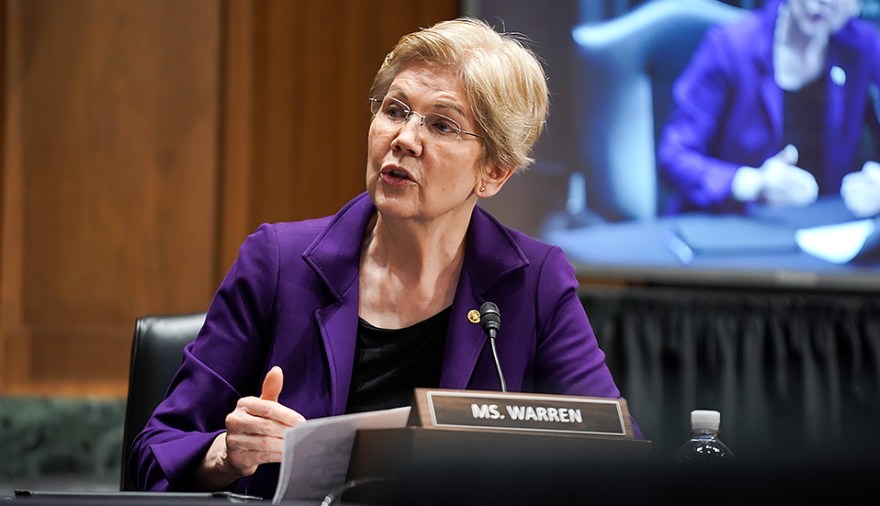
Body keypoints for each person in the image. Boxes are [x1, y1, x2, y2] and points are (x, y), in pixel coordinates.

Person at [129, 18, 633, 498]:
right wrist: (226, 454)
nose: (404, 139)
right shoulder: (278, 264)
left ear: (494, 173)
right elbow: (155, 450)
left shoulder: (533, 284)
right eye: (394, 110)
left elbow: (615, 454)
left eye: (442, 125)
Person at [657, 0, 880, 217]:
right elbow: (675, 154)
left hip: (824, 229)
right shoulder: (730, 46)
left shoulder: (862, 48)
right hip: (735, 224)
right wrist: (752, 184)